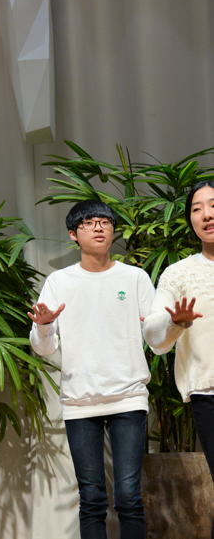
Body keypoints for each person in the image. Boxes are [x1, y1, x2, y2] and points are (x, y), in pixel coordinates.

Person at [28, 199, 187, 539]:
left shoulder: (134, 277)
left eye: (105, 222)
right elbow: (45, 348)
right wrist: (43, 326)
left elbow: (156, 340)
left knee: (129, 496)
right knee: (92, 498)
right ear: (73, 234)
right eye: (88, 223)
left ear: (114, 231)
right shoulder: (59, 281)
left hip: (128, 398)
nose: (98, 227)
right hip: (79, 401)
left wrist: (173, 324)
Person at [144, 181, 211, 535]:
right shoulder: (178, 273)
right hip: (209, 392)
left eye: (213, 205)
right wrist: (175, 322)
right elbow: (154, 337)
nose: (207, 214)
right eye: (197, 209)